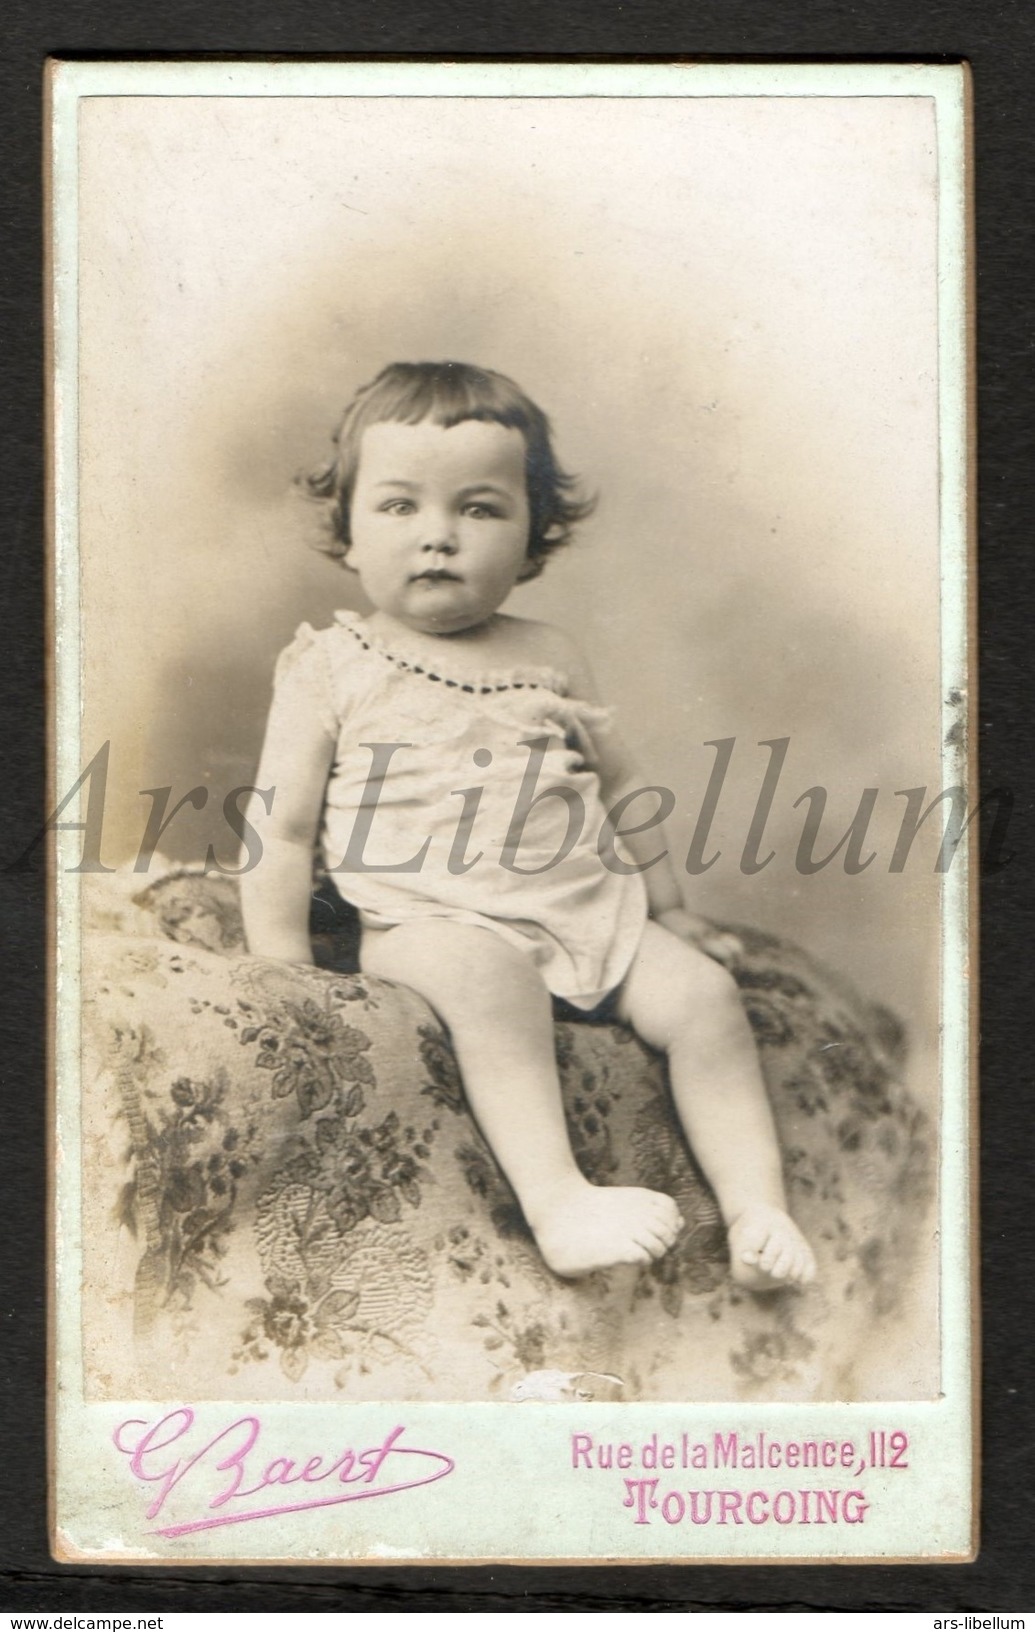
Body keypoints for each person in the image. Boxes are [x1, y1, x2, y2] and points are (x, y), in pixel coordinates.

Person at [241, 361, 816, 1289]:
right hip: (424, 923)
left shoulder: (548, 655)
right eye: (398, 508)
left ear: (532, 533)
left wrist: (667, 914)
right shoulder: (333, 665)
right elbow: (284, 827)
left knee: (705, 997)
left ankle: (758, 1213)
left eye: (478, 509)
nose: (437, 537)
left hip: (584, 912)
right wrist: (283, 964)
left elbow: (622, 789)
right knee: (488, 972)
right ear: (345, 531)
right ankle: (560, 1203)